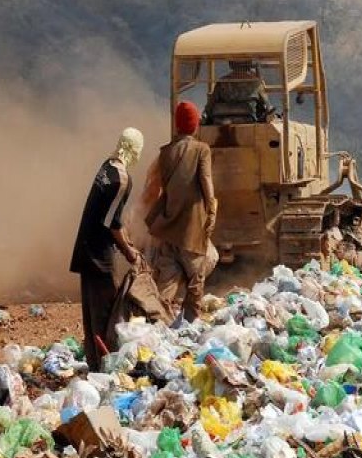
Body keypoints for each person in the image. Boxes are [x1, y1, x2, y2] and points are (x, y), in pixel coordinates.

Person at [70, 127, 144, 371]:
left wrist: (126, 241)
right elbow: (112, 223)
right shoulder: (122, 179)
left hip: (85, 247)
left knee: (91, 314)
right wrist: (129, 251)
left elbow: (110, 217)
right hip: (99, 256)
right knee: (107, 314)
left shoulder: (106, 167)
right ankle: (108, 367)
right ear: (135, 150)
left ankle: (94, 363)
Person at [145, 101, 217, 324]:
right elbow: (205, 180)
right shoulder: (201, 149)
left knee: (167, 281)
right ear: (195, 125)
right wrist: (212, 208)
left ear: (177, 126)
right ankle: (191, 325)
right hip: (191, 228)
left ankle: (157, 325)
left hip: (167, 226)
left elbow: (156, 187)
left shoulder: (165, 153)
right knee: (196, 280)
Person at [204, 60, 274, 124]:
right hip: (249, 122)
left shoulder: (222, 82)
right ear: (249, 64)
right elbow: (267, 106)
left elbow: (209, 107)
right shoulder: (256, 82)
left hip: (222, 123)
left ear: (231, 64)